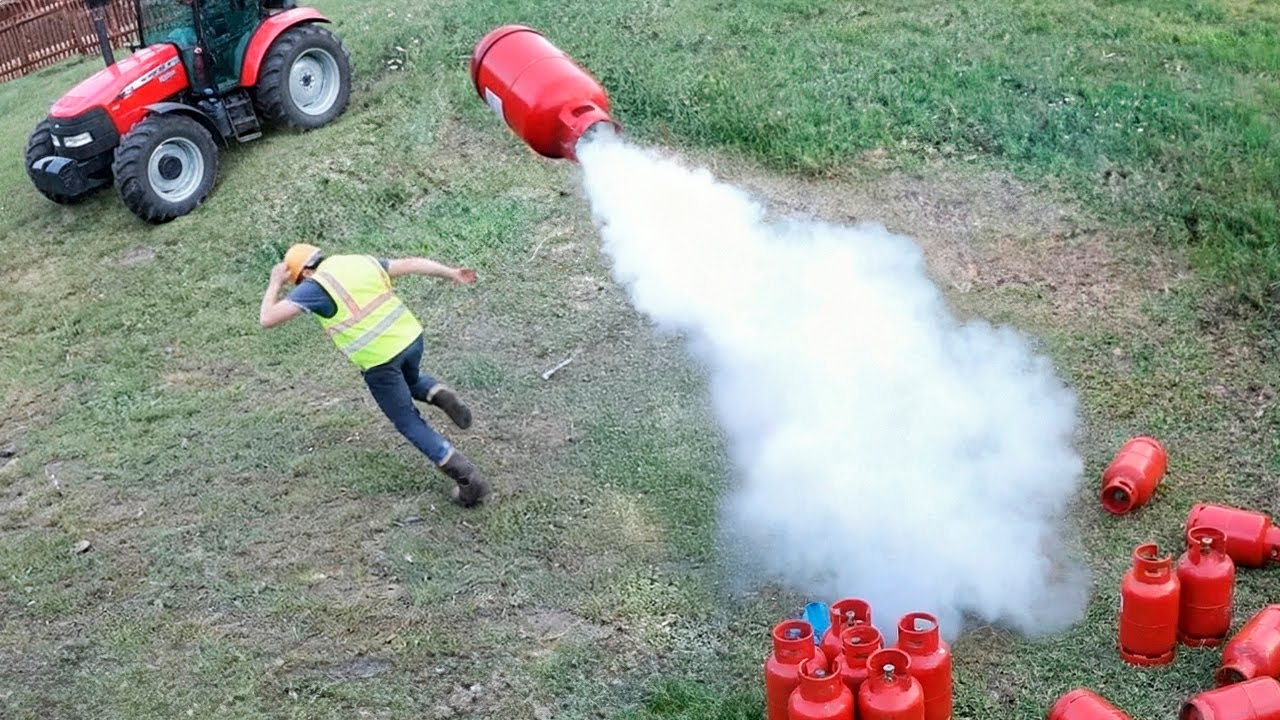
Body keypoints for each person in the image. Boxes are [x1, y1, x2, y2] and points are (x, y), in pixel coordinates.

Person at [259, 243, 489, 506]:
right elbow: (409, 262)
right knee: (410, 379)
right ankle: (437, 392)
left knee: (407, 421)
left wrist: (275, 282)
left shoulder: (315, 287)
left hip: (379, 360)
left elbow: (267, 318)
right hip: (410, 337)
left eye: (297, 283)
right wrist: (451, 272)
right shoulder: (357, 261)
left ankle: (469, 480)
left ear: (305, 274)